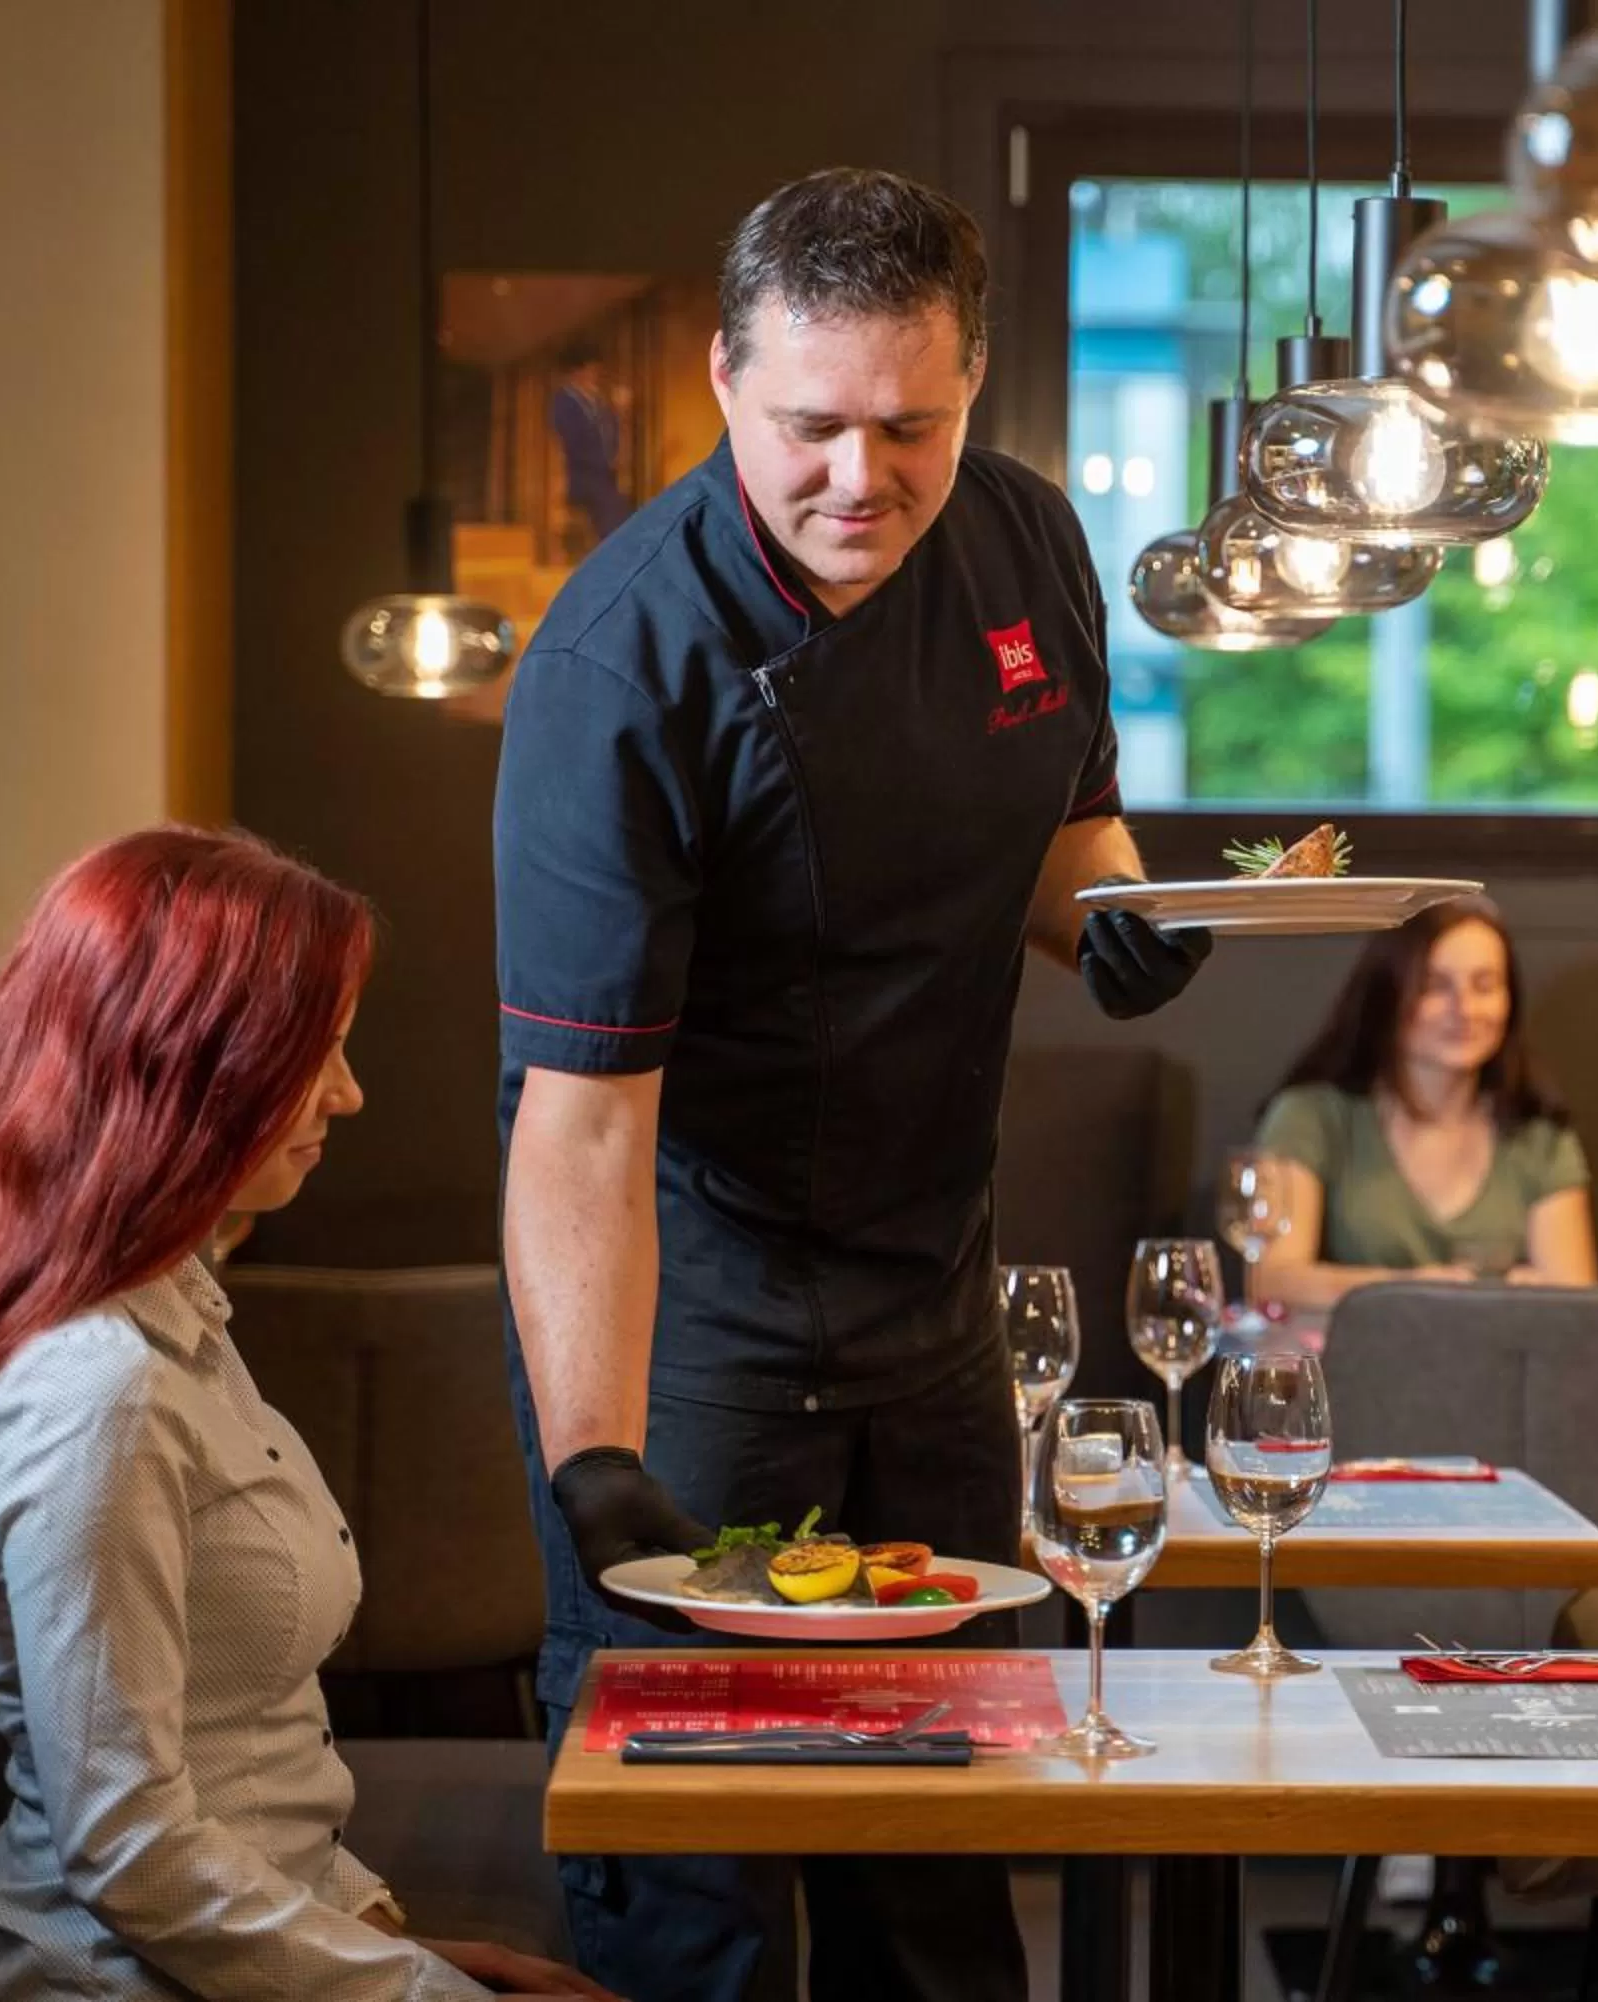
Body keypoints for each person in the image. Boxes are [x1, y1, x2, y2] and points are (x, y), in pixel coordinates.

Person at [492, 168, 1211, 2002]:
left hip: (936, 1305)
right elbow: (580, 1115)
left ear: (975, 391)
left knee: (950, 1856)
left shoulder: (1028, 544)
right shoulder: (619, 661)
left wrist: (1117, 915)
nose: (858, 478)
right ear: (727, 382)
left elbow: (1064, 826)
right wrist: (595, 1450)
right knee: (709, 1878)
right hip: (704, 1324)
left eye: (915, 426)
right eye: (811, 426)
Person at [0, 828, 614, 2002]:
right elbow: (131, 1850)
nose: (352, 1093)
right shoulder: (96, 1394)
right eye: (316, 1052)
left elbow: (249, 1766)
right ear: (185, 1059)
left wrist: (390, 1941)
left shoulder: (176, 1316)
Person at [1251, 896, 1598, 1309]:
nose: (1464, 1009)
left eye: (1485, 985)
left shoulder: (1540, 1136)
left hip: (1497, 1370)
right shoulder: (1309, 1116)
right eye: (1436, 986)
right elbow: (1272, 1280)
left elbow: (1579, 1306)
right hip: (1350, 1369)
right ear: (1387, 997)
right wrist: (1411, 1290)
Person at [549, 339, 632, 553]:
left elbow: (609, 438)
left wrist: (619, 413)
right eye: (591, 368)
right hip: (583, 476)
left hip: (604, 477)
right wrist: (603, 462)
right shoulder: (563, 400)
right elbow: (572, 442)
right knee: (614, 520)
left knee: (624, 516)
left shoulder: (597, 402)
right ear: (578, 371)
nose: (595, 374)